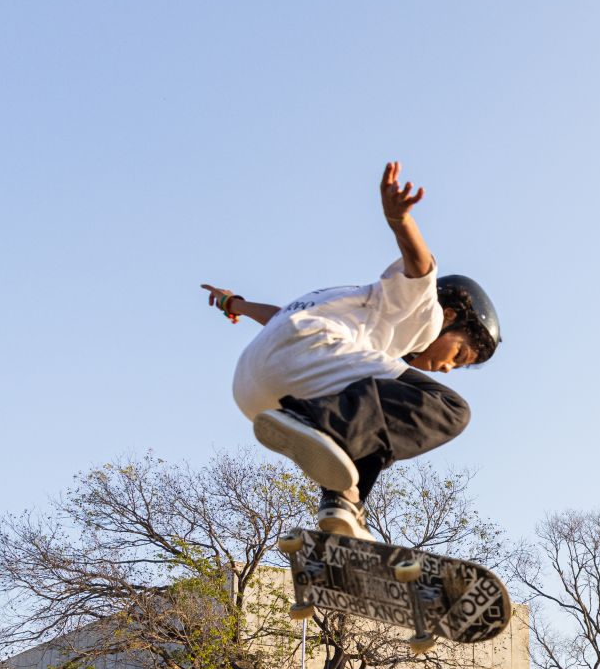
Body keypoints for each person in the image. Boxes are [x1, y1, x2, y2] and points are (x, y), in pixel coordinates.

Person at [203, 161, 501, 538]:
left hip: (251, 385)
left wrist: (235, 304)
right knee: (450, 409)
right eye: (458, 356)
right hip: (304, 372)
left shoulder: (353, 307)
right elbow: (421, 266)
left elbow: (279, 316)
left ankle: (341, 507)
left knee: (381, 416)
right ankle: (317, 426)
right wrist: (399, 220)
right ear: (452, 316)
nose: (444, 369)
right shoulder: (424, 313)